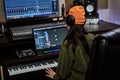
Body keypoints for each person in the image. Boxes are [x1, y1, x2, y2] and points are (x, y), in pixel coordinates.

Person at [45, 1, 95, 80]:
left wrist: (55, 76)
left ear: (69, 22)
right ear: (84, 21)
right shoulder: (93, 38)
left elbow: (62, 73)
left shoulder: (68, 43)